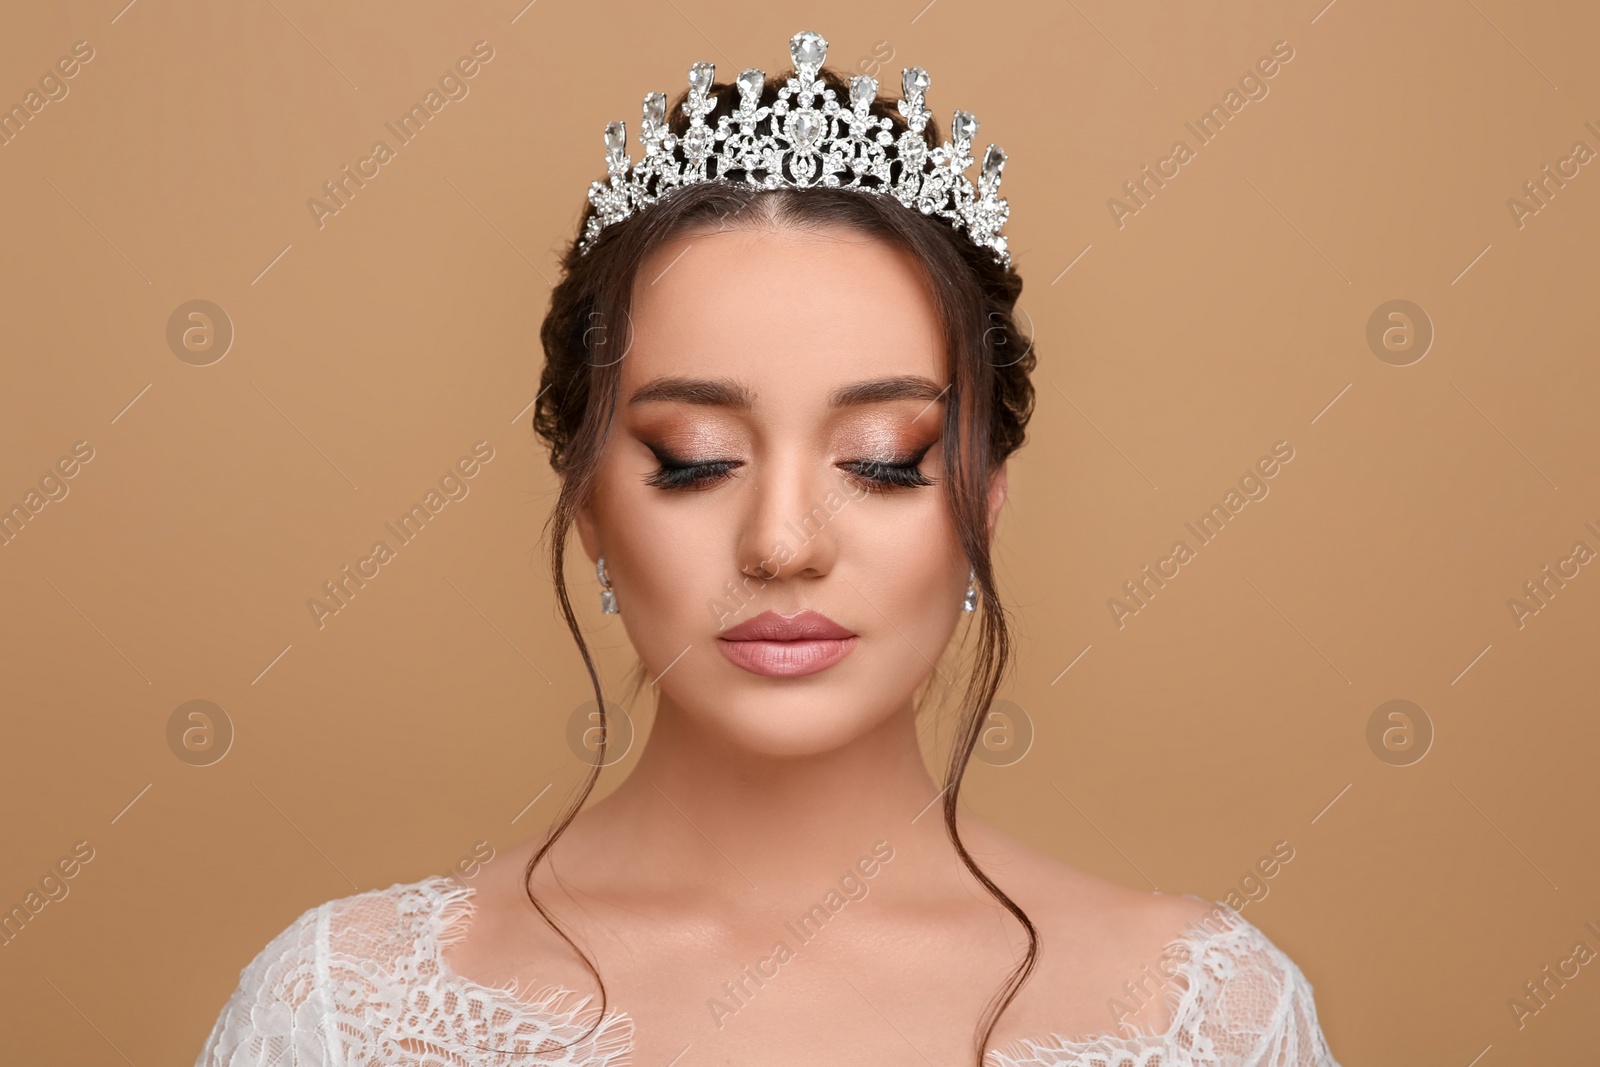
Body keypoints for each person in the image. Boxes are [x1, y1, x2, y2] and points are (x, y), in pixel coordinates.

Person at [195, 30, 1341, 1067]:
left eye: (882, 458)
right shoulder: (349, 1009)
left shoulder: (1204, 1018)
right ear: (588, 502)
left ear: (982, 502)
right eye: (694, 457)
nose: (783, 543)